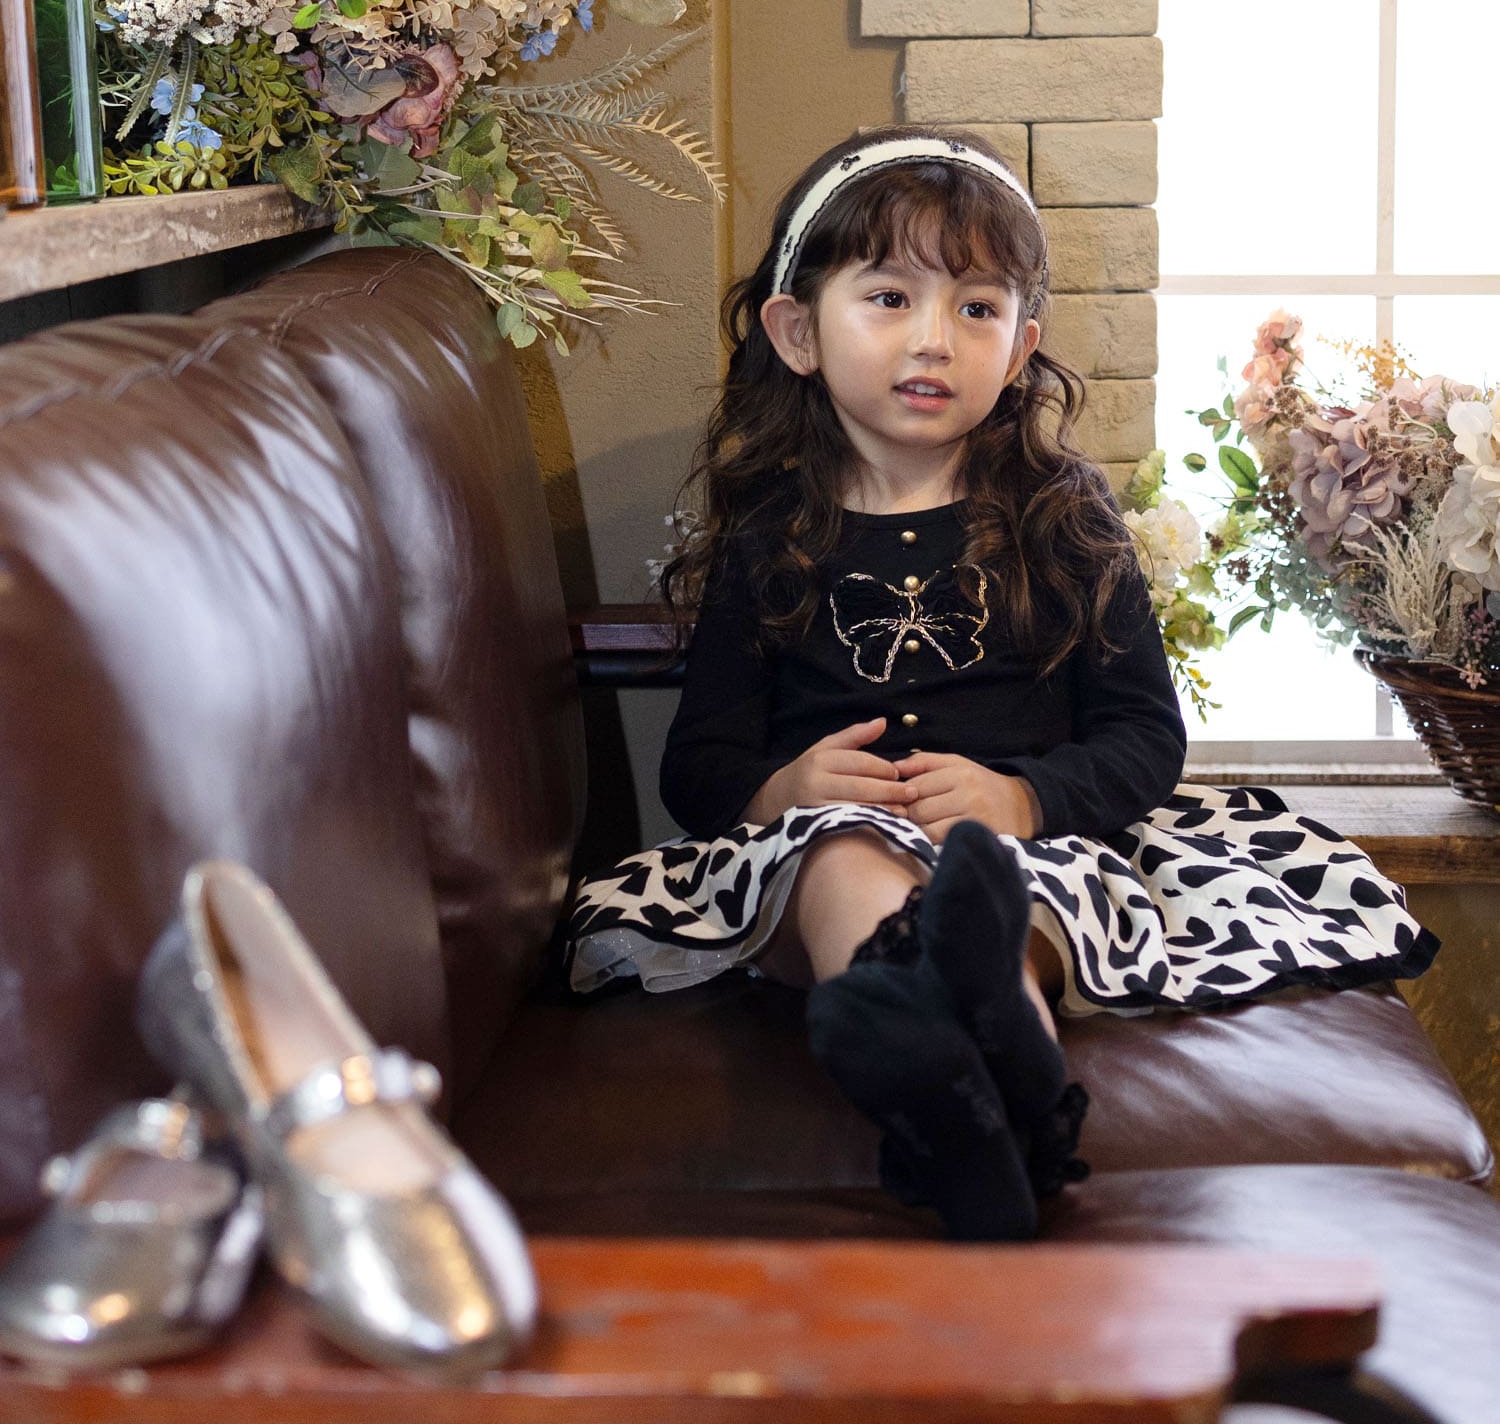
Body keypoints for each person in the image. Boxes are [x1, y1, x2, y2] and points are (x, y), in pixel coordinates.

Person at [563, 123, 1440, 1242]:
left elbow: (1143, 736)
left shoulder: (1064, 517)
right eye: (890, 298)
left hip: (1030, 849)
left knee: (1001, 904)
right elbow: (699, 763)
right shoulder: (771, 534)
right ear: (798, 332)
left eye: (976, 308)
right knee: (838, 861)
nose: (934, 339)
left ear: (1022, 346)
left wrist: (1024, 799)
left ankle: (994, 1102)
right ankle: (915, 1041)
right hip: (815, 853)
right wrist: (780, 792)